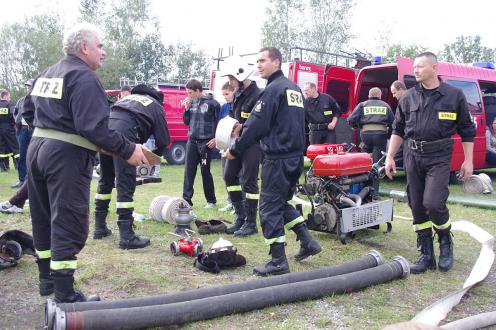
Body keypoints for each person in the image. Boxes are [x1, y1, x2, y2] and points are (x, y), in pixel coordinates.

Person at [24, 23, 148, 303]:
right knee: (68, 220)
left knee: (42, 217)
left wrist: (49, 129)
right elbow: (93, 127)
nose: (103, 52)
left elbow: (28, 109)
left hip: (36, 148)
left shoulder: (48, 72)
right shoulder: (84, 76)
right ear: (84, 48)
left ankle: (47, 280)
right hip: (64, 156)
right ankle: (65, 293)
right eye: (100, 46)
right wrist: (128, 149)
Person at [225, 47, 321, 276]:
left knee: (268, 208)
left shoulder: (273, 90)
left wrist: (235, 149)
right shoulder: (294, 89)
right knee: (280, 203)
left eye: (262, 61)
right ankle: (308, 242)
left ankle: (278, 261)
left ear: (276, 63)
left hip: (278, 159)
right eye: (256, 61)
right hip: (295, 157)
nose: (258, 65)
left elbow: (257, 125)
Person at [385, 52, 476, 274]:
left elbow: (466, 130)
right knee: (417, 205)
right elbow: (398, 130)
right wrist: (389, 156)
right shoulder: (408, 97)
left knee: (433, 203)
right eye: (414, 67)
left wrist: (469, 161)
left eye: (420, 66)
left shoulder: (454, 96)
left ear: (434, 68)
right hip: (412, 156)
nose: (415, 70)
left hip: (439, 156)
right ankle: (426, 254)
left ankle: (445, 242)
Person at [93, 84, 170, 248]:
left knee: (105, 179)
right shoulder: (155, 105)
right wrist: (153, 156)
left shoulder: (127, 99)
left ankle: (99, 227)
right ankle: (126, 236)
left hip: (105, 131)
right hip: (126, 133)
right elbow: (163, 139)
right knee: (125, 182)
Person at [221, 56, 262, 237]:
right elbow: (233, 116)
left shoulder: (258, 94)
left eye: (231, 79)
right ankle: (240, 217)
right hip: (237, 142)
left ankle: (251, 223)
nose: (229, 83)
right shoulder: (237, 94)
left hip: (253, 144)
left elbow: (257, 123)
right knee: (229, 175)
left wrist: (242, 127)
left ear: (241, 74)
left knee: (249, 181)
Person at [348, 87, 394, 199]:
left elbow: (351, 119)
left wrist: (357, 127)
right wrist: (388, 135)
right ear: (380, 95)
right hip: (380, 136)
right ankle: (374, 193)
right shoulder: (385, 105)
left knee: (363, 161)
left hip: (365, 136)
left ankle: (360, 186)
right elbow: (393, 123)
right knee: (377, 164)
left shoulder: (362, 105)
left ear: (369, 95)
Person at [182, 79, 220, 208]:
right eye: (187, 92)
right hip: (192, 141)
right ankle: (186, 200)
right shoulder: (190, 103)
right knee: (189, 171)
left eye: (191, 92)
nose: (189, 95)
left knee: (205, 171)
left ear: (198, 91)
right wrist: (186, 109)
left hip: (206, 143)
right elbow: (186, 122)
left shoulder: (213, 104)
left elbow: (219, 123)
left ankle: (211, 201)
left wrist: (216, 138)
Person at [11, 79, 35, 188]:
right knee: (22, 156)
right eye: (27, 86)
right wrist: (17, 121)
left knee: (34, 156)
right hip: (23, 130)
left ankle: (32, 182)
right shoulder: (21, 100)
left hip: (34, 131)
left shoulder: (38, 100)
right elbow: (15, 112)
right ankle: (21, 180)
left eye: (29, 86)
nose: (28, 88)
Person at [218, 82, 235, 213]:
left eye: (227, 94)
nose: (225, 97)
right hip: (225, 143)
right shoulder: (224, 107)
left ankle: (238, 203)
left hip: (237, 145)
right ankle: (230, 201)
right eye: (223, 95)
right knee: (226, 174)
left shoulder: (239, 105)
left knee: (237, 175)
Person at [0, 89, 19, 172]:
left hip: (0, 128)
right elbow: (13, 115)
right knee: (15, 146)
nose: (9, 98)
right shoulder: (9, 104)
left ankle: (3, 167)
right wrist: (13, 124)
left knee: (2, 147)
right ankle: (18, 165)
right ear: (5, 96)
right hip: (8, 128)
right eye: (9, 96)